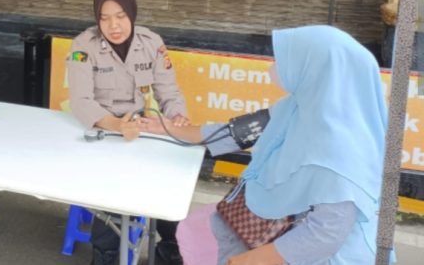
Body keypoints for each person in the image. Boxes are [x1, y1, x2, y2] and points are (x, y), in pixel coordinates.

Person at [148, 25, 387, 265]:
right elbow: (234, 133)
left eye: (286, 60)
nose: (274, 66)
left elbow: (324, 235)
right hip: (259, 236)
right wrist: (166, 128)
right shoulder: (296, 109)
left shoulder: (342, 150)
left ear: (316, 70)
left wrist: (244, 261)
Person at [67, 0, 189, 265]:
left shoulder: (152, 43)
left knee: (170, 195)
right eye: (105, 18)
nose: (114, 26)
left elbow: (168, 91)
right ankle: (107, 256)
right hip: (103, 132)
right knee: (113, 206)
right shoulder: (84, 45)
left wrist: (177, 116)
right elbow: (81, 101)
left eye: (120, 16)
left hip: (142, 130)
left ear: (131, 14)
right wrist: (115, 125)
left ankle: (170, 249)